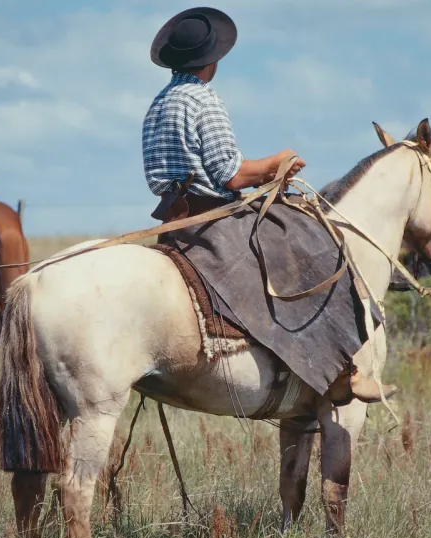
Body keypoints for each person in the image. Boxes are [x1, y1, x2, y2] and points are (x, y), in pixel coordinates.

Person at [141, 6, 394, 405]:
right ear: (212, 60)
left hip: (175, 219)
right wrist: (276, 164)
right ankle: (343, 370)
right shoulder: (203, 99)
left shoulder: (160, 102)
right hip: (213, 218)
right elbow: (230, 176)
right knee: (310, 243)